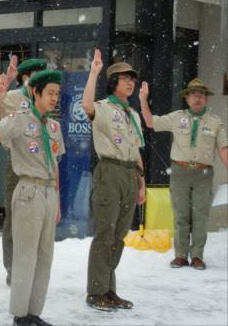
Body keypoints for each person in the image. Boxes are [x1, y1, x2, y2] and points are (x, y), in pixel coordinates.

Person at [0, 70, 65, 326]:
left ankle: (34, 312)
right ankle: (20, 315)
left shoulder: (54, 126)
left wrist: (58, 201)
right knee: (26, 254)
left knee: (45, 255)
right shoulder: (20, 120)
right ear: (36, 93)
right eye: (50, 93)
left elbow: (55, 164)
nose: (55, 98)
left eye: (57, 93)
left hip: (49, 191)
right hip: (28, 191)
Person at [140, 78, 228, 270]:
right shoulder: (176, 117)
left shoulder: (215, 122)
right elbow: (150, 122)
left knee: (200, 216)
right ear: (187, 98)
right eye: (193, 95)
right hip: (179, 171)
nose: (197, 98)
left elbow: (223, 149)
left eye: (201, 95)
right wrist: (143, 99)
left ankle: (197, 256)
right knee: (181, 215)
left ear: (206, 99)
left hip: (203, 174)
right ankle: (180, 255)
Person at [82, 50, 146, 311]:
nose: (130, 83)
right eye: (124, 79)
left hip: (130, 173)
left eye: (132, 79)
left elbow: (136, 149)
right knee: (105, 234)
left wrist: (141, 181)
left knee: (119, 236)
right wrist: (94, 72)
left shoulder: (133, 114)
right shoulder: (104, 108)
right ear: (113, 83)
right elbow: (86, 106)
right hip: (109, 172)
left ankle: (109, 288)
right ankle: (95, 291)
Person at [0, 57, 47, 285]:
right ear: (27, 77)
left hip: (40, 165)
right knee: (14, 218)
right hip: (18, 165)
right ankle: (13, 268)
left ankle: (31, 265)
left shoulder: (44, 100)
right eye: (39, 75)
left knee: (37, 219)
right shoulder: (13, 98)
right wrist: (7, 81)